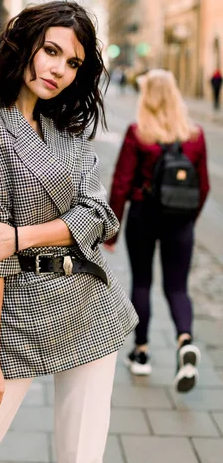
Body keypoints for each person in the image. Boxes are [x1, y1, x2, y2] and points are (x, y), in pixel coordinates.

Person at [0, 1, 138, 463]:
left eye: (73, 63)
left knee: (82, 457)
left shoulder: (63, 128)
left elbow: (102, 216)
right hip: (14, 318)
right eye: (51, 50)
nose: (59, 70)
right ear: (24, 43)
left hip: (89, 307)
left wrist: (20, 235)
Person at [104, 69, 209, 393]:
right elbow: (203, 186)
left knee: (143, 282)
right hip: (180, 220)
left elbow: (121, 183)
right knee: (178, 288)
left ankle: (142, 352)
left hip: (144, 215)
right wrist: (188, 221)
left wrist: (111, 232)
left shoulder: (140, 133)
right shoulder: (195, 134)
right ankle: (184, 340)